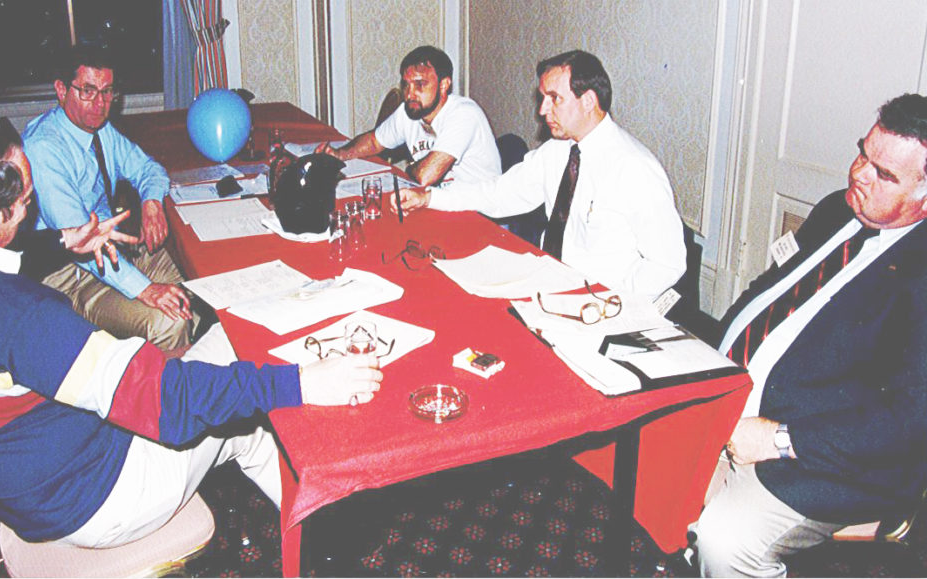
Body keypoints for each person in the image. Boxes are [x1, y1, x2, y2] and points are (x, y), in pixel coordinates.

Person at [0, 126, 383, 548]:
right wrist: (302, 383)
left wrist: (63, 241)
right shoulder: (20, 316)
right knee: (244, 337)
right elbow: (165, 403)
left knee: (248, 430)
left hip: (25, 489)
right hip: (97, 496)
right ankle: (338, 518)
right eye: (27, 205)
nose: (33, 214)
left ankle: (323, 531)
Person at [693, 93, 927, 577]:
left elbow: (907, 422)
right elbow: (765, 293)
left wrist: (779, 438)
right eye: (864, 152)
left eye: (884, 174)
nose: (859, 174)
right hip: (737, 403)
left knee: (725, 541)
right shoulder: (836, 212)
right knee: (650, 467)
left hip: (821, 453)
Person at [395, 50, 685, 301]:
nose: (543, 109)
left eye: (553, 98)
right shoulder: (558, 151)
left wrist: (611, 301)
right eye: (542, 97)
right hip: (550, 287)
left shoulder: (634, 168)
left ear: (588, 101)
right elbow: (498, 194)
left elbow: (667, 264)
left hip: (599, 306)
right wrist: (429, 197)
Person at [22, 44, 195, 352]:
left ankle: (196, 365)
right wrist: (145, 290)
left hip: (114, 251)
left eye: (107, 92)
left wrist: (151, 202)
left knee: (199, 272)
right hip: (72, 274)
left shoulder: (100, 130)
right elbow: (83, 244)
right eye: (88, 91)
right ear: (61, 90)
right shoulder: (44, 148)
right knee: (171, 321)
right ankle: (168, 393)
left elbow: (148, 169)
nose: (100, 104)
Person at [317, 45, 501, 187]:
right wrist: (340, 154)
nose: (410, 94)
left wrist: (409, 168)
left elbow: (425, 175)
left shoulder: (464, 114)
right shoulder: (411, 110)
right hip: (445, 205)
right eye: (406, 85)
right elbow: (374, 141)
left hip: (482, 216)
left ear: (444, 85)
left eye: (420, 84)